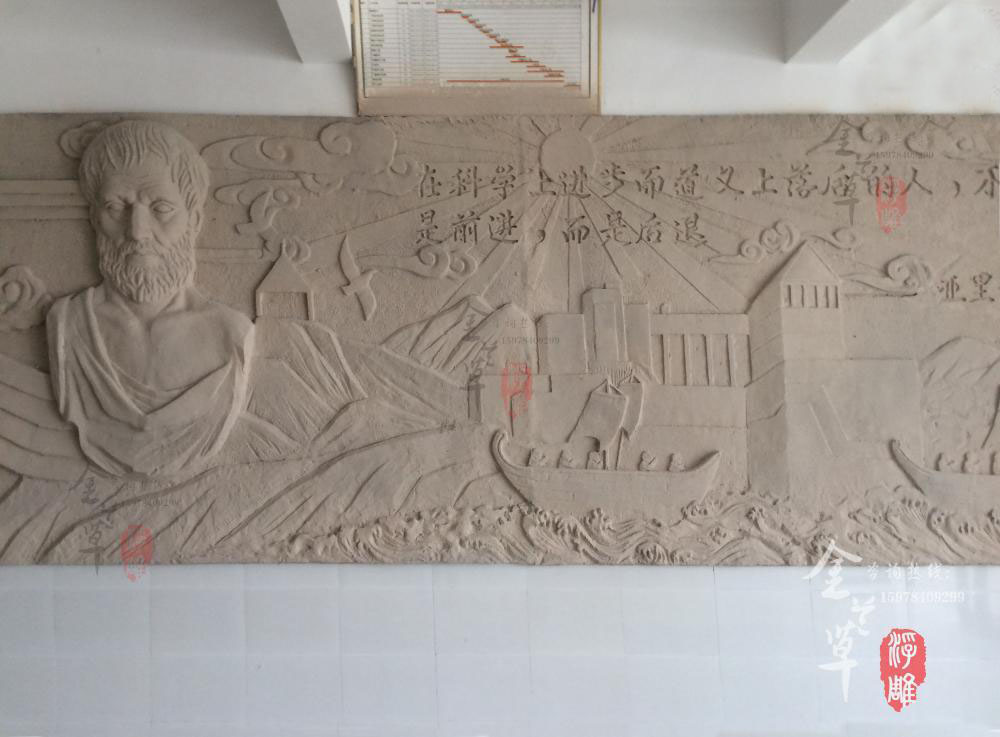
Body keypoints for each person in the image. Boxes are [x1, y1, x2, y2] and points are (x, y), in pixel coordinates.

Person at [47, 120, 254, 478]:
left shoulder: (231, 332)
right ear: (94, 218)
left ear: (195, 220)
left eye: (160, 208)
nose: (137, 232)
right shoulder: (68, 323)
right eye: (116, 206)